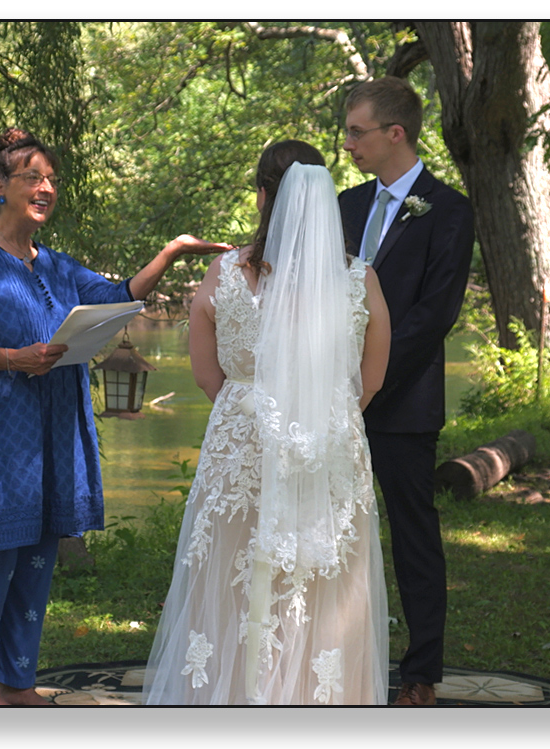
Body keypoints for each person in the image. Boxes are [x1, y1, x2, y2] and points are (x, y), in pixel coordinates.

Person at [0, 127, 232, 706]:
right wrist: (15, 357)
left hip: (53, 433)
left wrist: (169, 253)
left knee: (38, 554)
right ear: (0, 187)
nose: (46, 188)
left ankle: (18, 684)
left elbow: (121, 294)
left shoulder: (58, 266)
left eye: (51, 180)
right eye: (32, 178)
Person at [143, 140, 391, 705]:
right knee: (324, 585)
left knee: (236, 578)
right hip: (329, 445)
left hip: (244, 443)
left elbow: (207, 374)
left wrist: (252, 410)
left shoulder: (224, 273)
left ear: (263, 196)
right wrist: (323, 416)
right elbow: (371, 379)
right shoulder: (360, 281)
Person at [338, 77, 475, 706]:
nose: (347, 144)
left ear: (396, 133)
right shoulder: (342, 205)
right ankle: (329, 657)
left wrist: (369, 379)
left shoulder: (448, 210)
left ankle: (421, 672)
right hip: (330, 397)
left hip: (401, 401)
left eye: (357, 132)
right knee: (326, 526)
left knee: (413, 533)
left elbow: (434, 313)